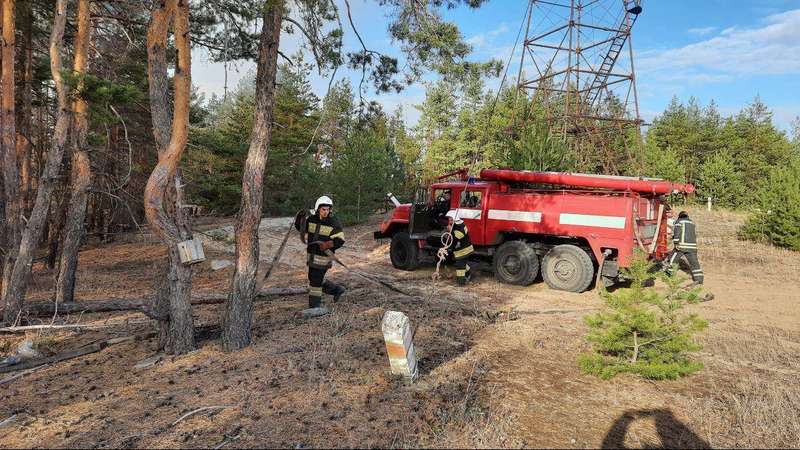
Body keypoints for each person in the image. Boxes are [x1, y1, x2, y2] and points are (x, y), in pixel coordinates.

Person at [304, 196, 346, 308]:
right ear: (318, 209)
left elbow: (340, 240)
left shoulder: (333, 223)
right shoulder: (311, 219)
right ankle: (337, 290)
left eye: (328, 209)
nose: (326, 211)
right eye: (324, 209)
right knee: (312, 277)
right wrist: (300, 219)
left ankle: (314, 306)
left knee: (315, 281)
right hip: (312, 257)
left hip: (324, 258)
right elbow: (302, 229)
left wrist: (327, 244)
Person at [667, 211, 703, 284]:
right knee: (694, 263)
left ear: (679, 216)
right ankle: (699, 279)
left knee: (673, 259)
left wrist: (676, 242)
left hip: (681, 246)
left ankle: (670, 275)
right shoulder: (692, 223)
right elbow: (687, 232)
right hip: (692, 246)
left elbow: (677, 233)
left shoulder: (679, 222)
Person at [446, 210, 474, 285]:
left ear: (455, 218)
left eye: (450, 218)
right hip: (461, 249)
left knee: (460, 265)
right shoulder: (456, 224)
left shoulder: (460, 227)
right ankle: (469, 274)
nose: (449, 220)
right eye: (449, 218)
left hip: (464, 250)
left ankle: (461, 282)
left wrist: (451, 231)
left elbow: (457, 238)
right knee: (462, 263)